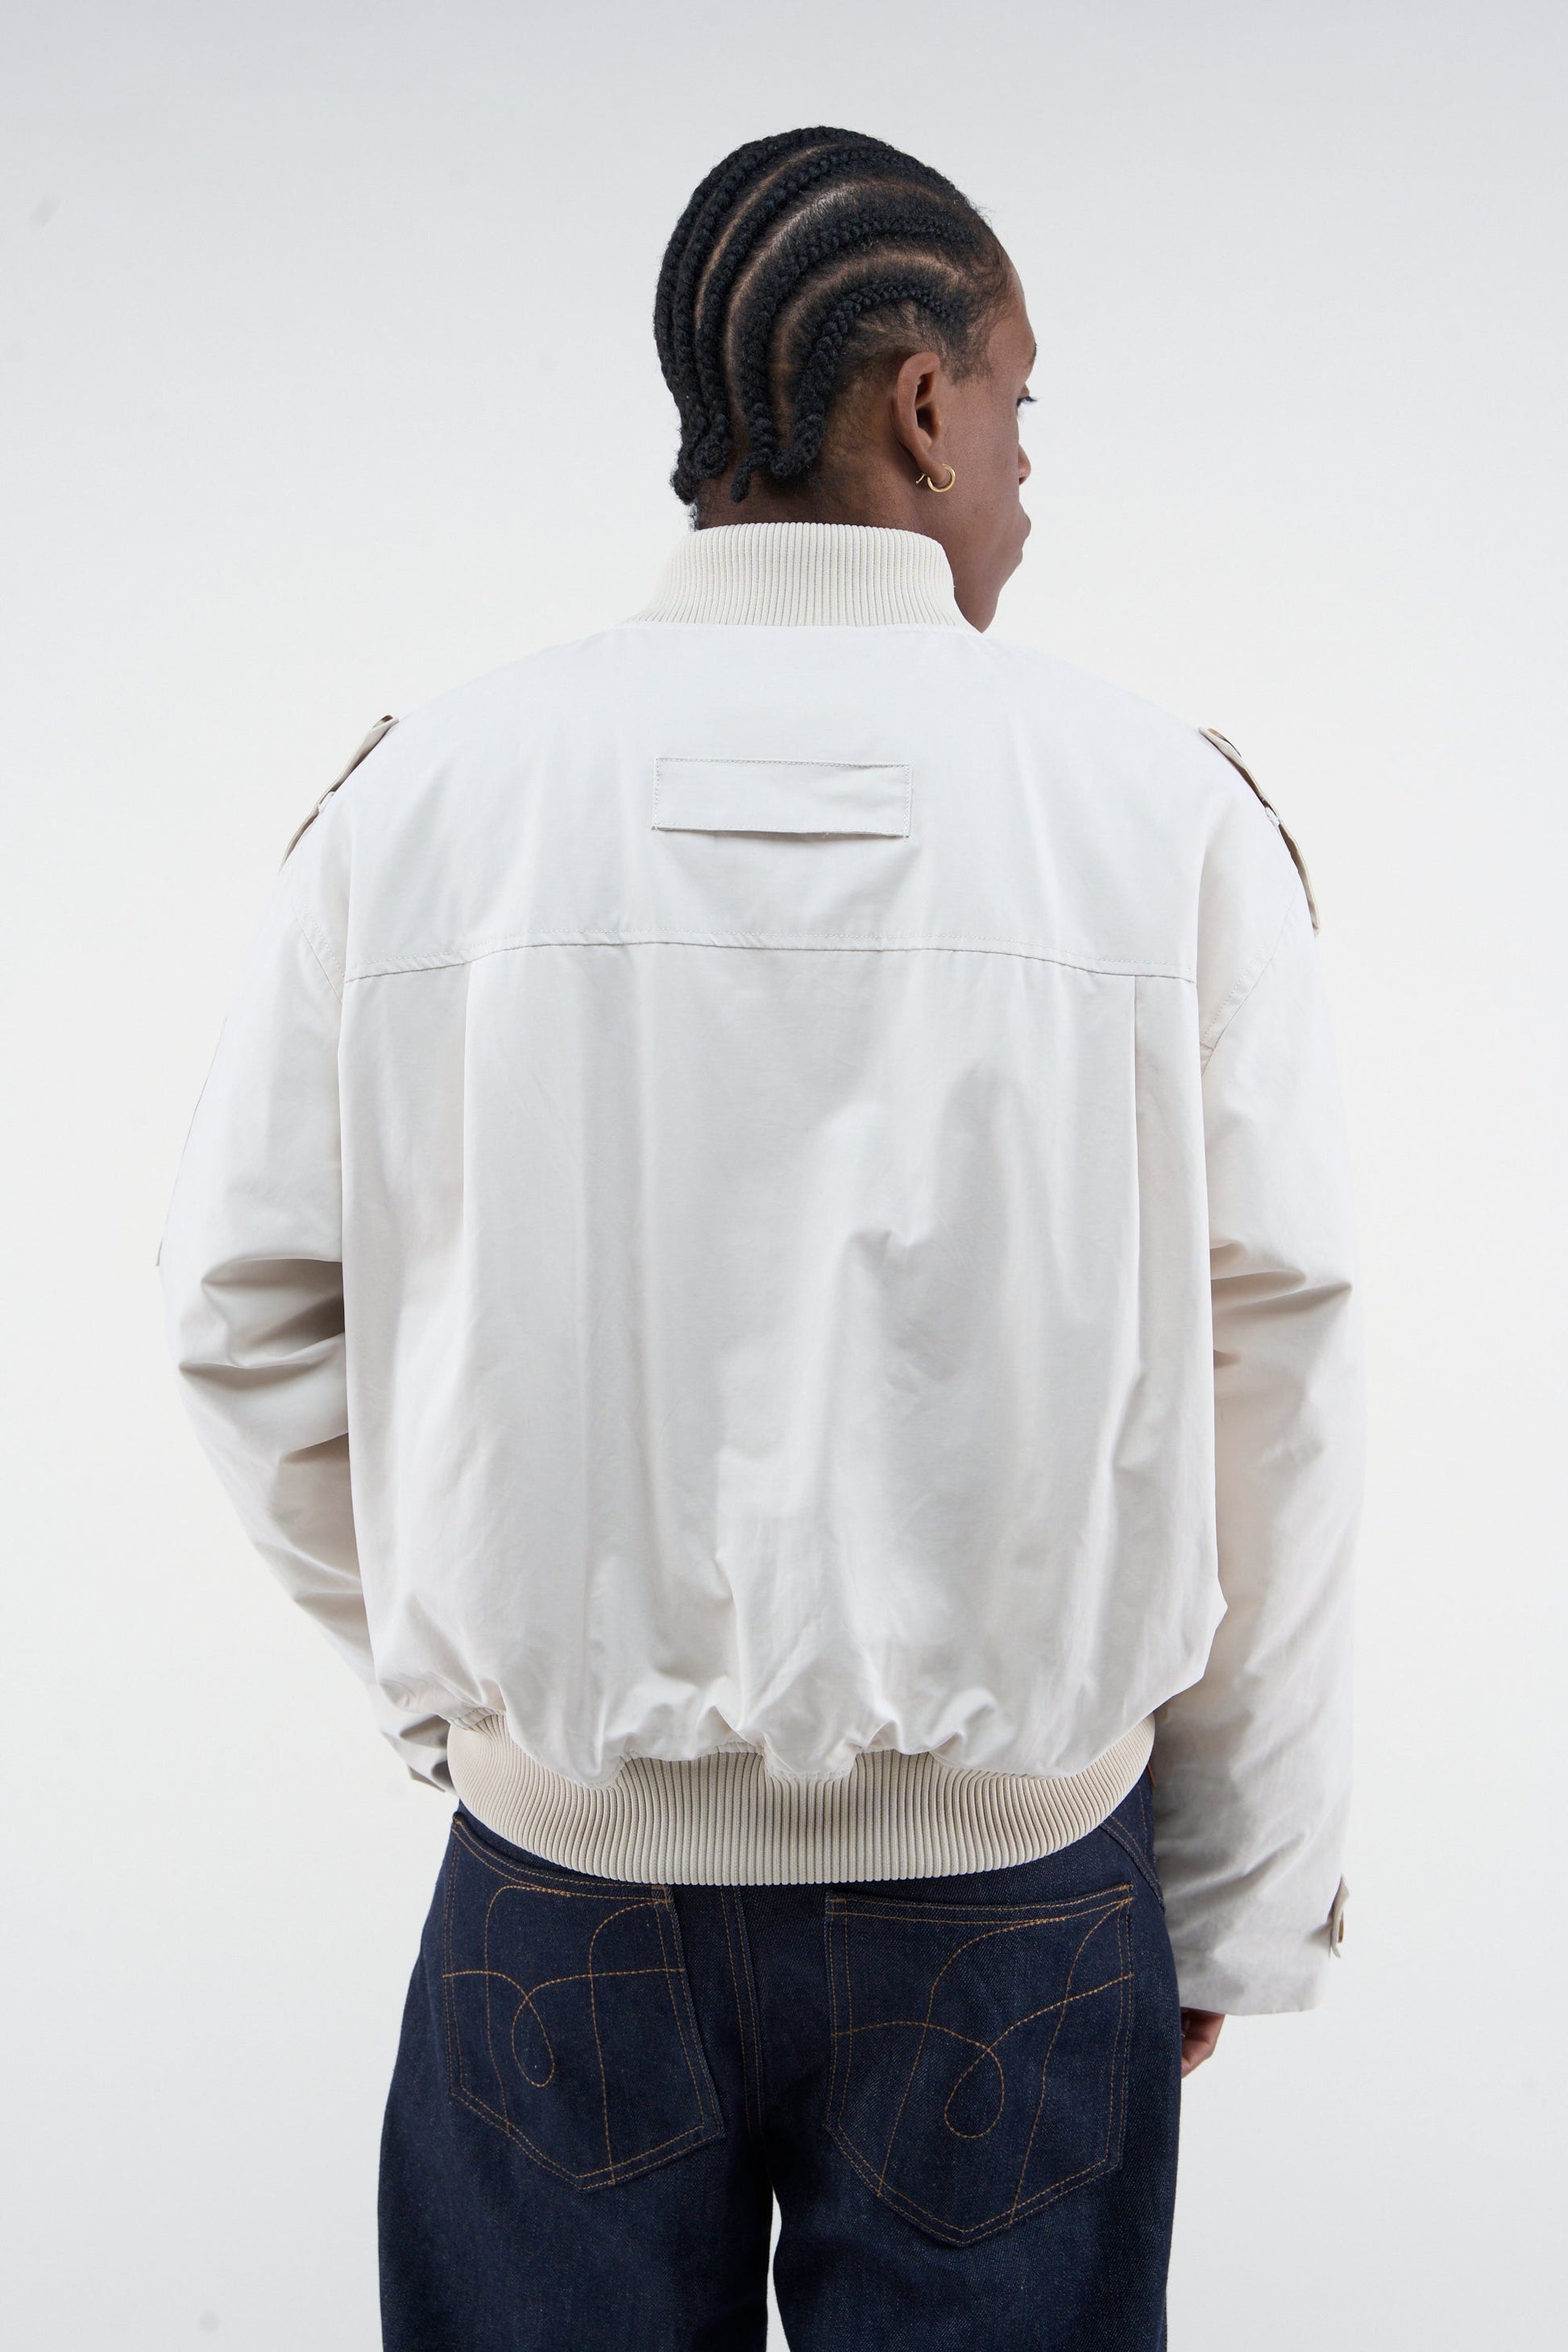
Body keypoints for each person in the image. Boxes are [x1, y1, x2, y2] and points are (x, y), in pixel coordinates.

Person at [159, 126, 1361, 2351]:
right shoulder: (1157, 816)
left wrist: (487, 1707)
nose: (1026, 464)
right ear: (921, 404)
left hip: (565, 1893)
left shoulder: (425, 804)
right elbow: (1269, 1368)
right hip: (1017, 1900)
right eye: (1018, 399)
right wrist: (1233, 1897)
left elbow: (242, 1318)